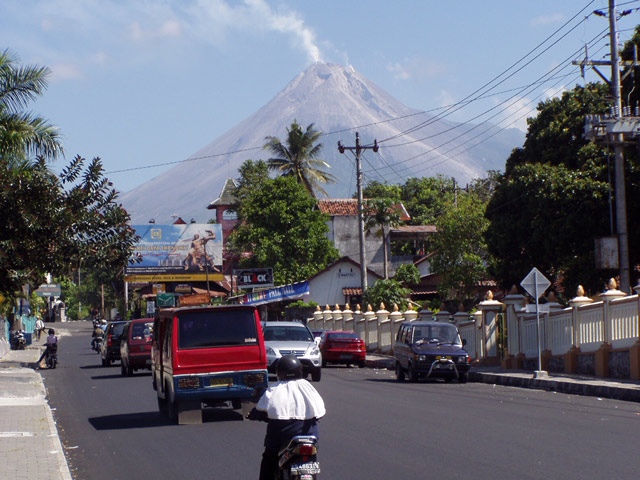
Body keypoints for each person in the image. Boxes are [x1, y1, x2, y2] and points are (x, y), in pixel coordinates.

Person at [248, 355, 326, 480]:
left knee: (269, 459)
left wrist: (253, 415)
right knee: (311, 459)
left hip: (280, 438)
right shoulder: (309, 388)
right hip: (309, 436)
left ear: (279, 372)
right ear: (299, 370)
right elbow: (320, 412)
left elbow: (262, 409)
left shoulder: (274, 389)